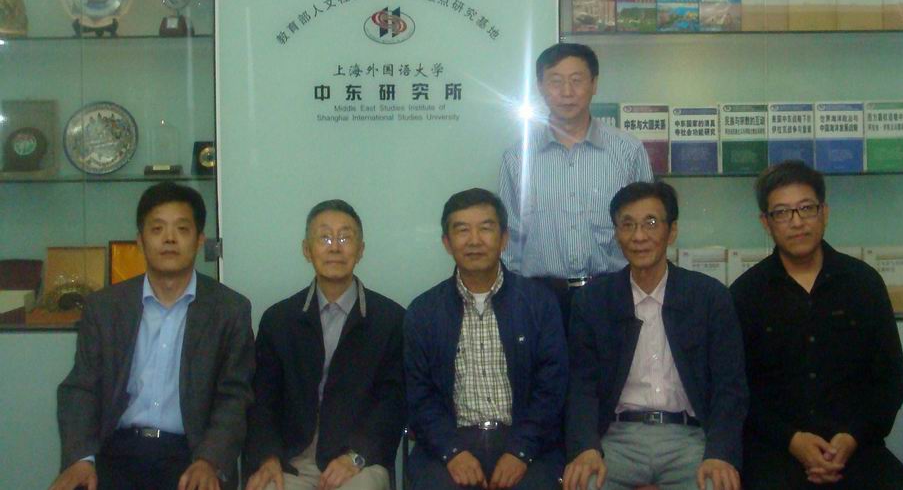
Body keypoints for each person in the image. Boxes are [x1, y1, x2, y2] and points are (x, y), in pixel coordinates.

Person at [51, 181, 254, 490]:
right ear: (140, 240)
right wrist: (81, 459)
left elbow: (235, 397)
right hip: (116, 450)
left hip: (191, 453)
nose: (169, 239)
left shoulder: (229, 310)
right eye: (157, 229)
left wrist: (209, 460)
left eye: (182, 229)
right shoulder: (105, 308)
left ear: (199, 240)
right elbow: (81, 387)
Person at [728, 161, 903, 490]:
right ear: (766, 223)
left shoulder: (863, 284)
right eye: (782, 213)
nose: (797, 222)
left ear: (824, 213)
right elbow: (738, 390)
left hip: (856, 447)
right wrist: (792, 440)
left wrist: (852, 438)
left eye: (806, 208)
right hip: (777, 449)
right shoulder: (746, 293)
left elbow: (889, 380)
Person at [564, 181, 747, 490]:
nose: (639, 236)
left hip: (690, 438)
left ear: (671, 231)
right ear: (616, 233)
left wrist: (720, 453)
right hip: (616, 439)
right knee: (584, 484)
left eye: (650, 223)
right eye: (628, 225)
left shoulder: (709, 297)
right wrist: (585, 448)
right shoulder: (593, 300)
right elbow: (582, 385)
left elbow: (730, 387)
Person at [404, 188, 568, 489]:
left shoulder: (539, 303)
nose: (474, 240)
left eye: (485, 228)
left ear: (504, 238)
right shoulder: (423, 312)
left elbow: (551, 388)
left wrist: (521, 451)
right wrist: (452, 452)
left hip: (525, 440)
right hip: (451, 442)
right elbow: (419, 396)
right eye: (462, 230)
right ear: (446, 242)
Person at [245, 200, 405, 490]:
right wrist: (268, 456)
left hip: (358, 462)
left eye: (345, 238)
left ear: (361, 250)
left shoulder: (390, 320)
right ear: (307, 250)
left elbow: (392, 404)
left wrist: (356, 456)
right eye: (325, 238)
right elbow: (262, 401)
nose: (335, 248)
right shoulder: (279, 320)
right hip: (291, 461)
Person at [498, 42, 653, 321]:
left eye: (577, 80)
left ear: (594, 84)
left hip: (613, 292)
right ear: (540, 87)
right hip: (540, 298)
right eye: (556, 81)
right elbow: (510, 238)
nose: (567, 92)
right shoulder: (517, 157)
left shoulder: (628, 151)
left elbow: (649, 227)